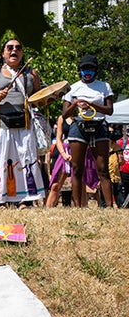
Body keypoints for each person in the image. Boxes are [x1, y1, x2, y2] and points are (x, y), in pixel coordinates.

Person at [0, 38, 45, 207]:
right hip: (1, 125)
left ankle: (25, 200)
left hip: (24, 124)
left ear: (22, 52)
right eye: (10, 48)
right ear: (3, 52)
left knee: (25, 160)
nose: (14, 51)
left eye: (18, 48)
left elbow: (39, 96)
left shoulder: (31, 73)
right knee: (1, 161)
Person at [61, 54, 115, 208]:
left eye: (91, 68)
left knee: (103, 168)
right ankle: (77, 205)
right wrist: (76, 104)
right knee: (77, 168)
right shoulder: (73, 88)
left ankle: (109, 206)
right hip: (79, 127)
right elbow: (65, 114)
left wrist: (92, 104)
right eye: (84, 68)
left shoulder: (104, 86)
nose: (87, 71)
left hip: (99, 126)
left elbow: (109, 110)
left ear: (95, 70)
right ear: (80, 70)